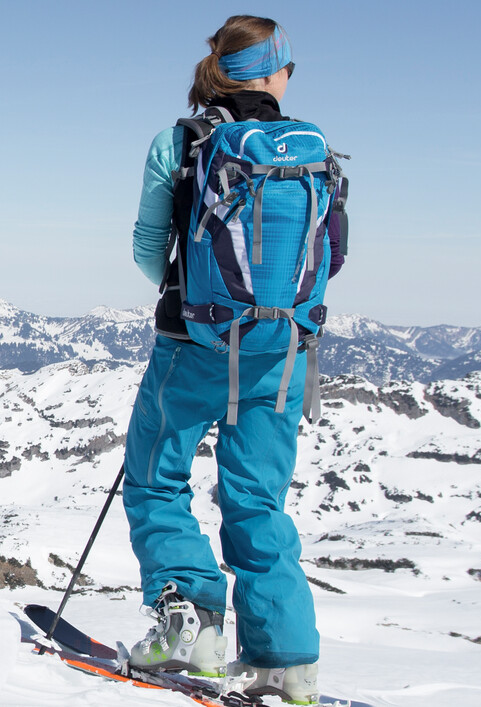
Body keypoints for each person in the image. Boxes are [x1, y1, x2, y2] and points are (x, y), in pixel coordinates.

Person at [118, 15, 326, 706]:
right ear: (277, 72)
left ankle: (193, 631)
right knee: (258, 498)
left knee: (154, 476)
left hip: (193, 345)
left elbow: (151, 249)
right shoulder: (309, 151)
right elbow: (332, 256)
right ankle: (285, 663)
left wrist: (195, 295)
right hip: (284, 350)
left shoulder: (179, 142)